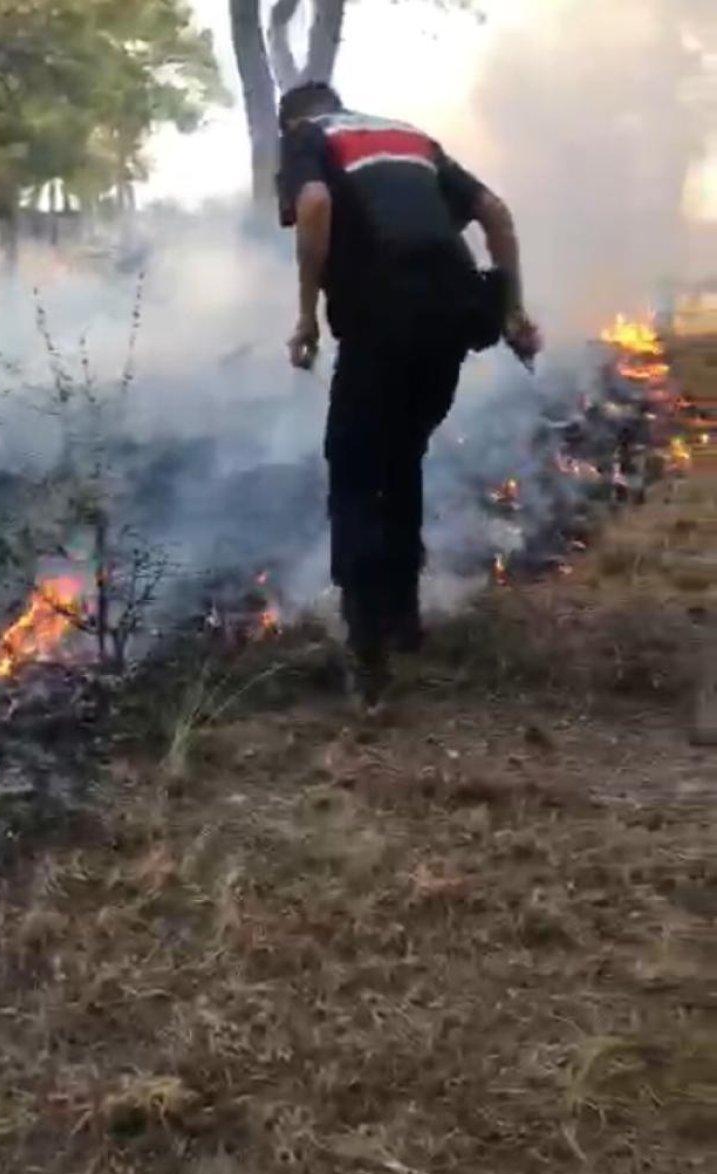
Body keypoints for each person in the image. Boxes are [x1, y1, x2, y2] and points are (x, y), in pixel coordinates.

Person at [277, 82, 542, 706]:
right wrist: (514, 309)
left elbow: (314, 206)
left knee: (353, 469)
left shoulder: (306, 138)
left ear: (290, 119)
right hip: (454, 319)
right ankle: (404, 620)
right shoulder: (408, 135)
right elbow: (495, 212)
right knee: (400, 458)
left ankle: (366, 653)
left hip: (380, 322)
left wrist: (307, 317)